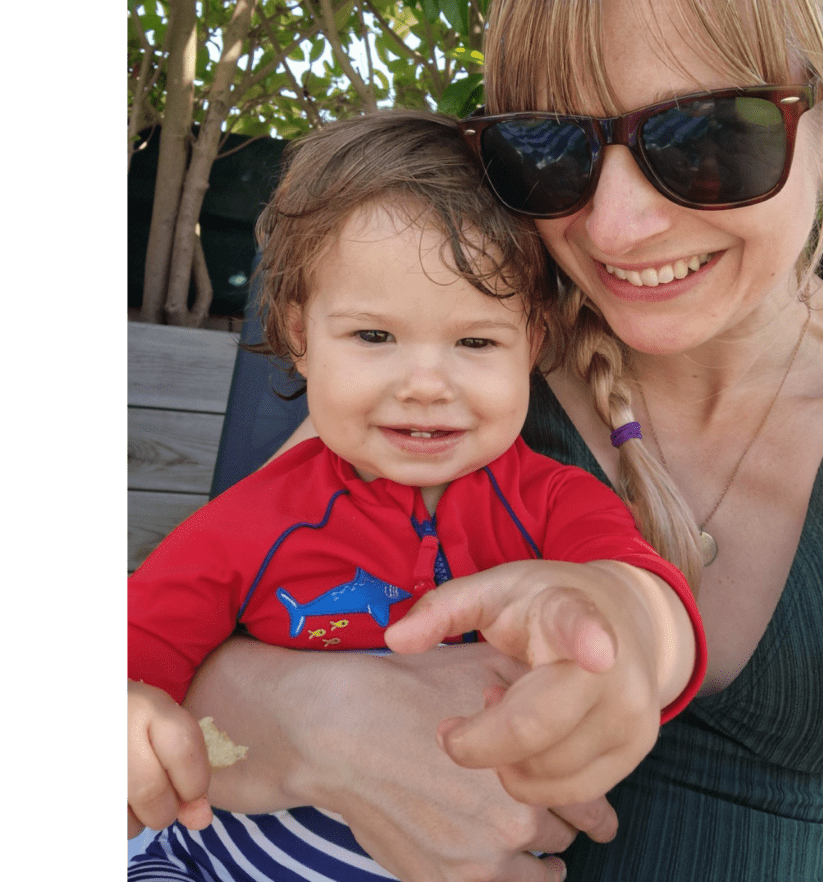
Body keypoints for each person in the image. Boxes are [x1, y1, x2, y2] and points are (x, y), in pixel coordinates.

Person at [158, 0, 823, 879]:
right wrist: (324, 722)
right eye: (551, 145)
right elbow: (190, 629)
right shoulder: (463, 363)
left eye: (710, 135)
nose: (616, 226)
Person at [127, 109, 705, 881]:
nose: (426, 385)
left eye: (475, 341)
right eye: (374, 337)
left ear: (531, 345)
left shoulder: (556, 503)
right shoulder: (251, 524)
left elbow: (646, 597)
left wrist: (621, 624)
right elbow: (133, 659)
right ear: (300, 336)